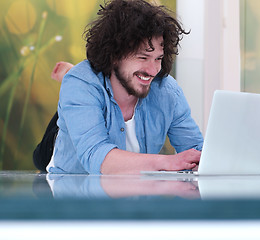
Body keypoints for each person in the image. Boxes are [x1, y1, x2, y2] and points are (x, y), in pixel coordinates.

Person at [35, 0, 204, 174]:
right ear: (114, 55)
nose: (153, 70)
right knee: (41, 154)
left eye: (158, 58)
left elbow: (197, 151)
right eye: (143, 57)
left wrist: (205, 159)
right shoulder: (81, 83)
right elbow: (97, 157)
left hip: (129, 193)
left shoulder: (168, 91)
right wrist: (168, 162)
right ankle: (70, 82)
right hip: (64, 163)